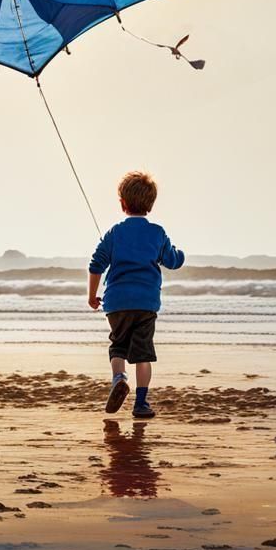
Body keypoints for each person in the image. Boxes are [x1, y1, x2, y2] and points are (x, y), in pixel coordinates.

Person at [87, 170, 185, 418]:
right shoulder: (157, 233)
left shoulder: (114, 233)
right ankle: (141, 403)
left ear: (122, 203)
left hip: (117, 303)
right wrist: (180, 254)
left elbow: (96, 264)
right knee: (143, 353)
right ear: (150, 205)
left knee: (118, 346)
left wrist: (92, 295)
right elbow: (172, 261)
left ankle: (119, 377)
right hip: (145, 303)